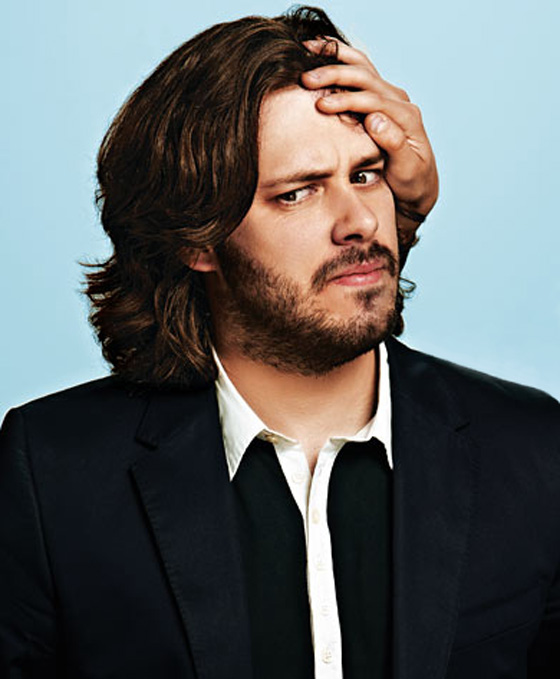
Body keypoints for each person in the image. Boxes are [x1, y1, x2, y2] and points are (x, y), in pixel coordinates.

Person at [0, 6, 558, 679]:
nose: (358, 221)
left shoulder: (534, 449)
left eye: (365, 174)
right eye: (298, 193)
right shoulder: (52, 473)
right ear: (198, 239)